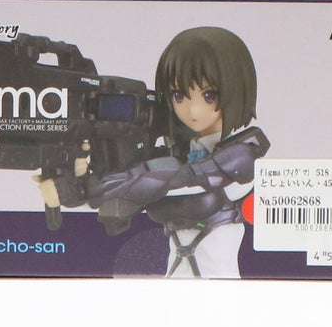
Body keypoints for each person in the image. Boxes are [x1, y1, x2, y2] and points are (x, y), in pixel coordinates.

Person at [37, 26, 269, 278]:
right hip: (173, 279)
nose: (192, 110)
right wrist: (77, 179)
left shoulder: (241, 157)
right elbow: (133, 187)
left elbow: (175, 178)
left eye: (209, 96)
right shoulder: (180, 152)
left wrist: (87, 190)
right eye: (179, 96)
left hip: (221, 284)